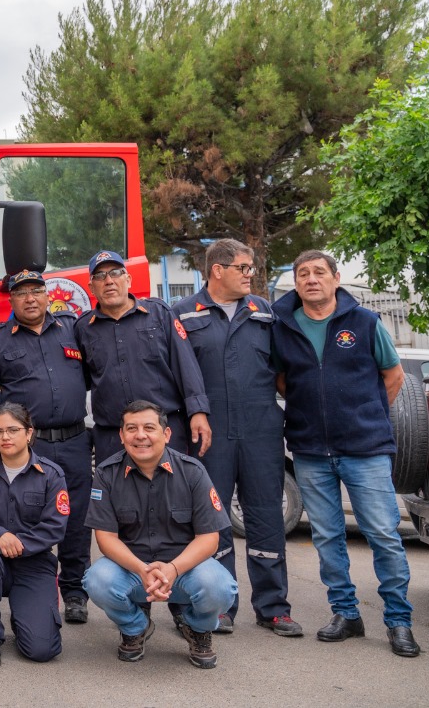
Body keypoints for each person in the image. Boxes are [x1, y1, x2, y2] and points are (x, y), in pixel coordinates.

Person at [271, 250, 420, 658]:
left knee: (385, 536)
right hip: (310, 451)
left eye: (320, 272)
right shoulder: (283, 329)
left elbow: (393, 377)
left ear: (336, 279)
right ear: (296, 284)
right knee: (327, 538)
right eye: (303, 274)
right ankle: (346, 614)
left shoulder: (366, 323)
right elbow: (284, 382)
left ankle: (398, 621)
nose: (311, 279)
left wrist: (362, 414)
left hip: (365, 449)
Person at [172, 240, 299, 636]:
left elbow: (283, 370)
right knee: (212, 519)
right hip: (209, 432)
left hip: (261, 428)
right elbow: (177, 374)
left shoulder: (264, 312)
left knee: (266, 516)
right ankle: (221, 604)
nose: (249, 273)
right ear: (217, 270)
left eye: (250, 267)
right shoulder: (182, 314)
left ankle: (273, 607)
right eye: (242, 267)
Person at [83, 401, 237, 670]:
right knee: (97, 580)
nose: (140, 435)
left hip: (184, 570)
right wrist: (142, 569)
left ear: (166, 434)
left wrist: (173, 569)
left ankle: (197, 629)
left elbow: (209, 539)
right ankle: (136, 627)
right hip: (134, 571)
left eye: (149, 428)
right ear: (121, 436)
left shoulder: (192, 472)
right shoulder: (107, 474)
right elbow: (106, 537)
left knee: (219, 586)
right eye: (131, 428)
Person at [0, 268, 92, 625]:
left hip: (74, 440)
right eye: (22, 292)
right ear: (11, 299)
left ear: (48, 295)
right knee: (26, 516)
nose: (30, 298)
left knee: (75, 518)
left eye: (36, 291)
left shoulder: (72, 329)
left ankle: (74, 591)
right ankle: (30, 584)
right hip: (28, 446)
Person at [0, 402, 68, 666]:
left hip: (34, 564)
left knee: (42, 651)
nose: (5, 437)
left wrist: (11, 543)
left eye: (13, 430)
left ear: (29, 433)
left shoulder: (51, 475)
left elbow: (55, 526)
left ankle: (24, 619)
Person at [74, 250, 211, 463]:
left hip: (163, 430)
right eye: (100, 276)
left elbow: (185, 365)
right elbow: (77, 380)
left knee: (171, 494)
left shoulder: (159, 314)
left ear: (128, 279)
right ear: (92, 287)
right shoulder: (83, 328)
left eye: (115, 273)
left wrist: (198, 412)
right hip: (112, 436)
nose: (108, 281)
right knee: (117, 496)